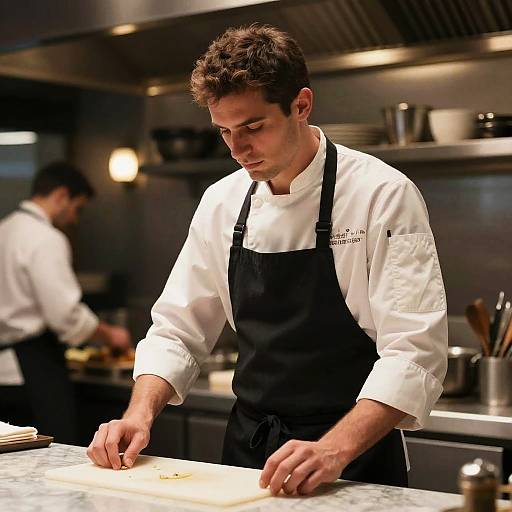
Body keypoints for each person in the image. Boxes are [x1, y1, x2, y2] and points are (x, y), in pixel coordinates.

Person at [87, 24, 448, 494]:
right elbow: (178, 328)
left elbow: (414, 353)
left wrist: (332, 449)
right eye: (224, 132)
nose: (238, 151)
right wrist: (138, 413)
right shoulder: (222, 202)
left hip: (351, 463)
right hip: (248, 460)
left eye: (254, 127)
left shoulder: (381, 194)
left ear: (301, 105)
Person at [0, 161, 131, 444]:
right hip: (33, 369)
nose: (75, 218)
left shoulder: (5, 229)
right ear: (61, 196)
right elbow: (65, 315)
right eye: (77, 208)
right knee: (49, 457)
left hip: (5, 371)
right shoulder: (46, 238)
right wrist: (110, 334)